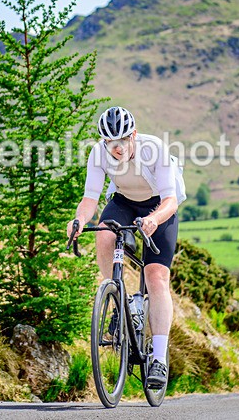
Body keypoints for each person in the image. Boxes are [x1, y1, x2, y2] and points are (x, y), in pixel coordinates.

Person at [68, 106, 180, 390]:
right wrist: (79, 220)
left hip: (159, 206)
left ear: (134, 135)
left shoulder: (154, 149)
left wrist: (153, 219)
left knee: (156, 276)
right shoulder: (99, 153)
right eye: (110, 143)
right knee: (104, 233)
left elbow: (171, 201)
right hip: (124, 200)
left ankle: (159, 357)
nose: (117, 149)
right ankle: (118, 298)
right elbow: (90, 199)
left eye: (122, 141)